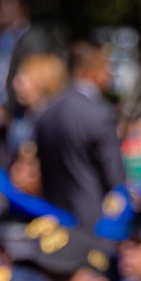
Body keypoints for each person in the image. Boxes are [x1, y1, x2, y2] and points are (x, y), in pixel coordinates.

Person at [30, 42, 126, 228]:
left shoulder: (45, 113)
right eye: (106, 67)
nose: (110, 73)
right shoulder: (99, 114)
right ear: (90, 70)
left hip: (54, 214)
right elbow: (114, 177)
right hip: (93, 217)